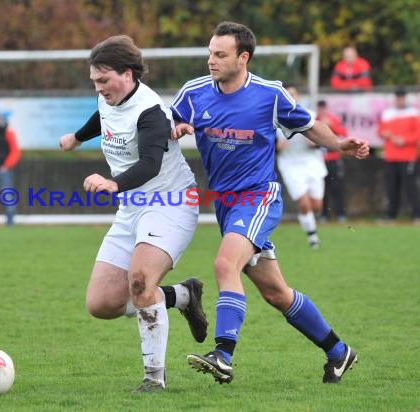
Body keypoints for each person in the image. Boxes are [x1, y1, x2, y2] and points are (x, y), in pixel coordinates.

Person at [170, 21, 369, 385]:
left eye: (220, 54)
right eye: (210, 53)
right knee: (277, 293)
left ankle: (224, 355)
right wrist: (178, 126)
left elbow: (310, 125)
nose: (210, 60)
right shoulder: (194, 92)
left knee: (224, 264)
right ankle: (339, 353)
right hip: (226, 204)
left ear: (243, 57)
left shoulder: (269, 94)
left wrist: (340, 144)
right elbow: (172, 121)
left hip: (258, 197)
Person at [58, 35, 208, 393]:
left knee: (140, 282)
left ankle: (154, 379)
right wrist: (78, 138)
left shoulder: (151, 113)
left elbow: (150, 164)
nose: (98, 88)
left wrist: (113, 183)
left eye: (103, 80)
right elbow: (104, 117)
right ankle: (182, 296)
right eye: (94, 81)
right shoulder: (109, 95)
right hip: (133, 206)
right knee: (102, 304)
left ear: (127, 74)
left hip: (170, 203)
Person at [276, 85, 327, 248]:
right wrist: (277, 148)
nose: (290, 97)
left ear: (298, 97)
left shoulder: (309, 115)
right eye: (287, 94)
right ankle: (312, 238)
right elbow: (266, 145)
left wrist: (314, 143)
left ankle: (310, 222)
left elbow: (323, 140)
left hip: (312, 163)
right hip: (290, 164)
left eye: (293, 94)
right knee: (304, 203)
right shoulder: (273, 118)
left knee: (317, 206)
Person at [377, 87, 420, 222]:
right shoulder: (387, 113)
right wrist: (384, 133)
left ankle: (417, 215)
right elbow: (380, 131)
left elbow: (418, 133)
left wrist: (404, 140)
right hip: (391, 157)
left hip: (408, 157)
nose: (399, 100)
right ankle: (391, 216)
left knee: (411, 187)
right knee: (391, 187)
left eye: (402, 97)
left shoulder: (414, 113)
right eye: (398, 97)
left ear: (405, 98)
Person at [316, 99, 349, 222]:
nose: (322, 111)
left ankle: (340, 214)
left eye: (324, 108)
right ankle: (324, 215)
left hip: (334, 159)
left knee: (337, 187)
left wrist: (331, 125)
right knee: (321, 188)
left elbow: (343, 134)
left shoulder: (333, 119)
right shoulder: (315, 119)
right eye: (320, 108)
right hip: (319, 160)